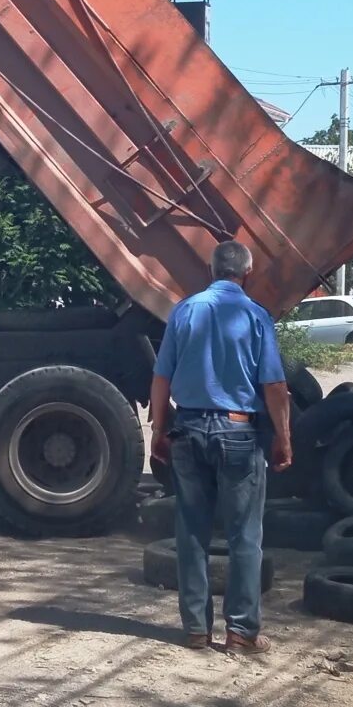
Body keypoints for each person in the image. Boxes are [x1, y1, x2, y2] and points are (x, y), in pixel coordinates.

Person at [148, 240, 293, 655]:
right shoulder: (255, 316)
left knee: (191, 533)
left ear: (210, 271)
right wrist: (283, 438)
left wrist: (159, 429)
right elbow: (275, 386)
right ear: (247, 274)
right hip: (238, 434)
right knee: (244, 536)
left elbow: (161, 378)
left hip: (189, 429)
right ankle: (241, 632)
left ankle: (196, 630)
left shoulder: (185, 311)